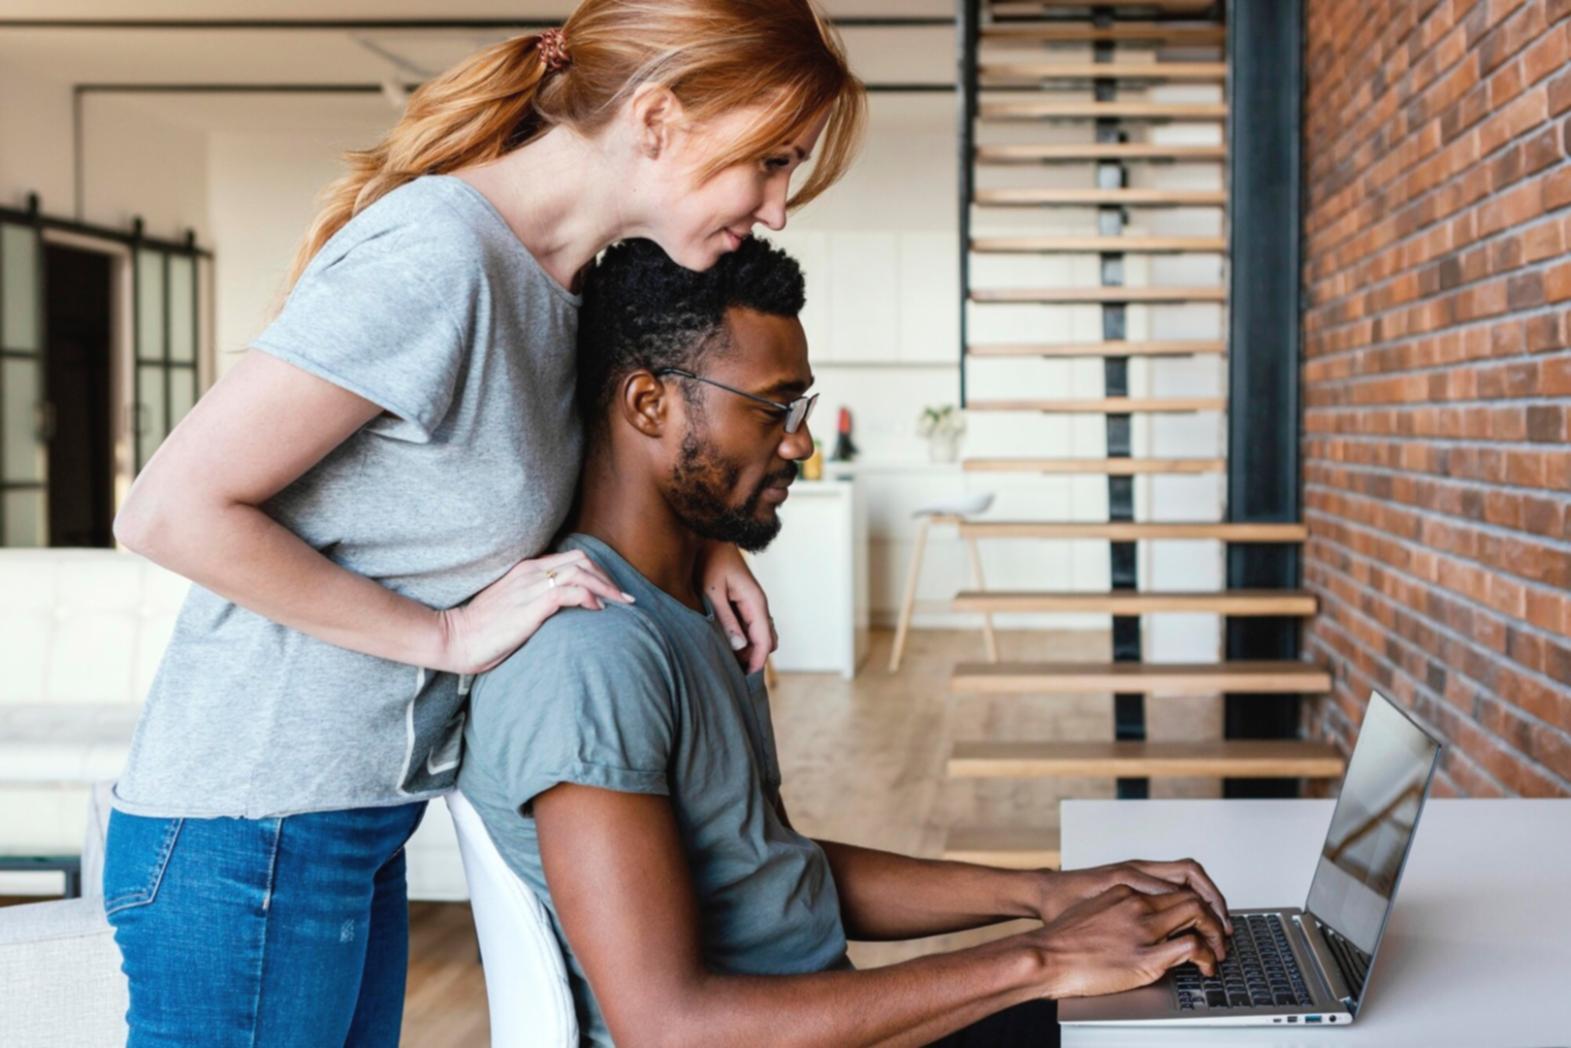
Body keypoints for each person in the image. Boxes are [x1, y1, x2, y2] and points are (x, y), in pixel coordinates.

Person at [101, 2, 865, 1043]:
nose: (776, 207)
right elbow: (168, 511)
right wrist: (446, 637)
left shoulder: (558, 283)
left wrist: (712, 540)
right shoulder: (440, 259)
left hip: (347, 815)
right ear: (657, 119)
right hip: (251, 827)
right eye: (768, 162)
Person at [459, 237, 1234, 1048]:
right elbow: (669, 1028)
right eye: (770, 408)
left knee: (1184, 1000)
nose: (798, 442)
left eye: (800, 409)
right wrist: (1042, 959)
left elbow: (767, 868)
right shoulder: (591, 658)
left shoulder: (685, 607)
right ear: (648, 404)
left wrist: (1045, 893)